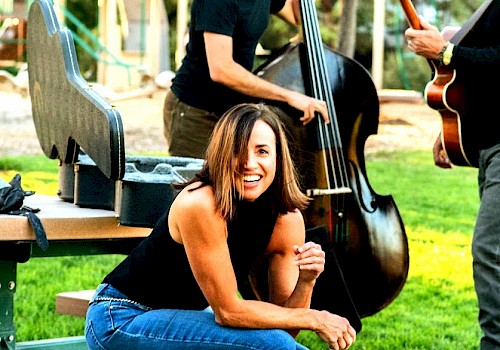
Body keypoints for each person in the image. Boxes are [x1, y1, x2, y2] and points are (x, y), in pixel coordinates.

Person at [85, 103, 356, 350]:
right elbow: (229, 312)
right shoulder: (200, 204)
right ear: (221, 155)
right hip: (120, 317)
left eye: (262, 151)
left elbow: (286, 331)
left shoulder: (286, 220)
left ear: (278, 158)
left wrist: (306, 281)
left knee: (286, 346)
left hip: (180, 319)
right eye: (238, 151)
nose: (250, 163)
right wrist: (315, 318)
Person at [404, 2, 500, 349]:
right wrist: (452, 126)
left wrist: (445, 51)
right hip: (489, 146)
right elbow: (478, 70)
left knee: (490, 251)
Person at [163, 0, 329, 159]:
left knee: (235, 185)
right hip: (196, 110)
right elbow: (222, 70)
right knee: (199, 185)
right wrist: (290, 96)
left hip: (232, 110)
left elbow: (297, 16)